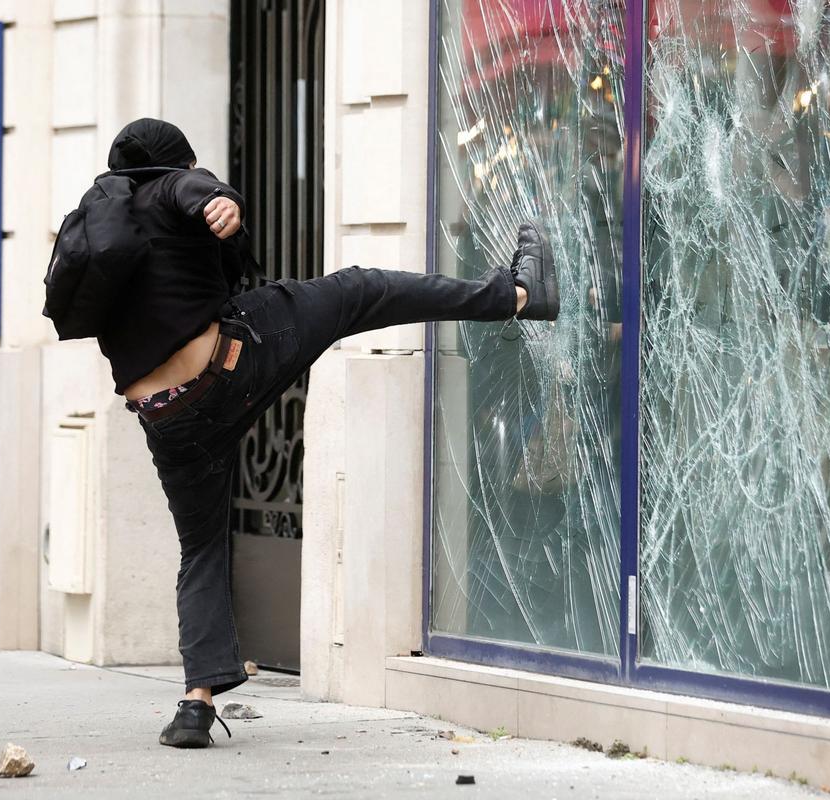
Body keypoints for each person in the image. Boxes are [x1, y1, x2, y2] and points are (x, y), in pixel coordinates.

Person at [94, 118, 558, 748]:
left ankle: (195, 705)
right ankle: (518, 294)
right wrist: (218, 204)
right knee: (357, 291)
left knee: (199, 546)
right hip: (229, 365)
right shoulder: (173, 185)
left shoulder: (102, 226)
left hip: (165, 417)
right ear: (171, 161)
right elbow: (196, 193)